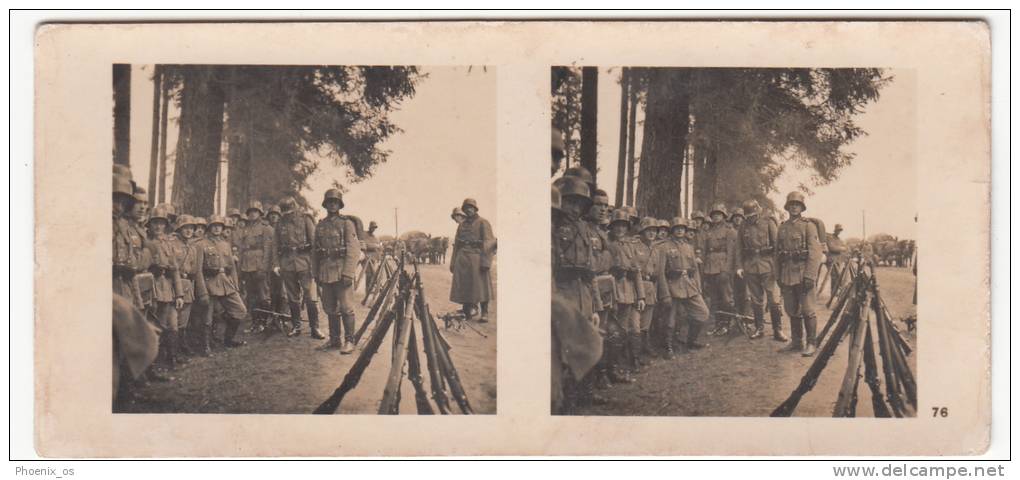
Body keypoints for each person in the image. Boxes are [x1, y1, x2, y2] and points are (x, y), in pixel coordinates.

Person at [551, 178, 602, 414]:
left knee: (588, 340)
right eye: (571, 202)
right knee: (567, 347)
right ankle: (567, 401)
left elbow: (591, 266)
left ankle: (586, 395)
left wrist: (597, 303)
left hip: (583, 291)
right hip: (564, 290)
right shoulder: (553, 227)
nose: (575, 208)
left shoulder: (584, 227)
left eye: (580, 204)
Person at [776, 191, 824, 357]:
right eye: (791, 204)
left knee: (808, 310)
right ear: (787, 207)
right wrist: (778, 276)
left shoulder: (808, 226)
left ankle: (811, 343)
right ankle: (797, 342)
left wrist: (810, 275)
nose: (794, 207)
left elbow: (815, 253)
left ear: (802, 207)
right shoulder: (782, 227)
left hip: (803, 273)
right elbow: (778, 254)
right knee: (791, 309)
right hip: (787, 274)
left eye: (797, 204)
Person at [313, 189, 362, 353]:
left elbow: (353, 250)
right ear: (325, 204)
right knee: (329, 307)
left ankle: (350, 341)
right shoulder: (320, 226)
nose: (332, 204)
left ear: (339, 205)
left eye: (335, 202)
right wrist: (315, 273)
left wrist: (349, 272)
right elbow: (315, 252)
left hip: (342, 271)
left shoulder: (346, 224)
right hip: (325, 271)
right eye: (329, 202)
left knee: (346, 308)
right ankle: (334, 340)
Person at [736, 200, 787, 341]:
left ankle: (778, 330)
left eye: (753, 215)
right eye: (748, 216)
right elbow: (739, 247)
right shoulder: (743, 225)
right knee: (756, 299)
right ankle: (759, 329)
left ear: (758, 212)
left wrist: (777, 266)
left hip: (768, 264)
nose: (750, 218)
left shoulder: (768, 222)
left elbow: (777, 246)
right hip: (750, 265)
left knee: (774, 300)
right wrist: (739, 266)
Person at [274, 196, 323, 339]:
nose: (287, 214)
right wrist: (276, 264)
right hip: (287, 263)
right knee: (292, 297)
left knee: (310, 296)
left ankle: (315, 328)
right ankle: (296, 326)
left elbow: (314, 243)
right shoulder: (279, 223)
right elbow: (275, 245)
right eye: (285, 212)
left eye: (290, 211)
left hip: (304, 262)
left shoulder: (306, 219)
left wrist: (314, 264)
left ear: (295, 208)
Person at [144, 205, 185, 372]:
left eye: (161, 223)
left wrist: (180, 293)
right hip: (152, 288)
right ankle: (155, 363)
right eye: (155, 223)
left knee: (172, 325)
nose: (158, 227)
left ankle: (171, 357)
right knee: (156, 326)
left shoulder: (169, 244)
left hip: (168, 288)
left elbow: (175, 270)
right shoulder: (146, 243)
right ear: (150, 225)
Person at [660, 217, 711, 351]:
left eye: (682, 228)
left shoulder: (689, 247)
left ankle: (690, 341)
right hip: (673, 287)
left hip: (689, 286)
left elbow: (695, 270)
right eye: (677, 228)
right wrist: (665, 294)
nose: (680, 231)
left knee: (703, 313)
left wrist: (698, 288)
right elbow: (661, 273)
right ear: (672, 230)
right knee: (670, 321)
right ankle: (668, 347)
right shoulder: (665, 247)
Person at [197, 215, 248, 348]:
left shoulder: (226, 244)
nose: (217, 228)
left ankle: (228, 339)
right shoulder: (201, 245)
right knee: (207, 319)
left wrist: (235, 286)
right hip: (210, 284)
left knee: (240, 310)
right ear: (209, 228)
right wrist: (202, 292)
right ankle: (206, 346)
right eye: (214, 225)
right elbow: (198, 271)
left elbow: (232, 268)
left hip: (226, 283)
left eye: (219, 225)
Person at [605, 209, 641, 382]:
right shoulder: (607, 244)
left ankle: (620, 366)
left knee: (624, 330)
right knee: (611, 332)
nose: (620, 229)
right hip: (612, 290)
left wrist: (640, 296)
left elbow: (636, 272)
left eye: (623, 226)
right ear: (611, 227)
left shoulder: (630, 246)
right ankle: (608, 370)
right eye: (617, 226)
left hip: (628, 291)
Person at [450, 198, 496, 322]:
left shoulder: (483, 222)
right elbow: (457, 244)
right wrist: (453, 262)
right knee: (465, 285)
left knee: (481, 286)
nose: (468, 210)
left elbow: (490, 242)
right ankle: (467, 310)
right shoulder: (461, 225)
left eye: (471, 208)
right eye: (466, 208)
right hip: (463, 258)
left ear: (475, 209)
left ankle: (484, 312)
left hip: (477, 257)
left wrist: (486, 262)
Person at [237, 200, 275, 333]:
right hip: (247, 266)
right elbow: (242, 250)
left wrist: (264, 268)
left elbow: (268, 250)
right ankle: (254, 322)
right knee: (251, 296)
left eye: (255, 211)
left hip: (259, 266)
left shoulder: (266, 228)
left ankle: (263, 322)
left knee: (263, 296)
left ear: (260, 213)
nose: (253, 214)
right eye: (250, 212)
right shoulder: (245, 229)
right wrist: (240, 269)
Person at [702, 203, 739, 336]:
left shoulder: (730, 231)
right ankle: (718, 324)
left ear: (724, 216)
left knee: (726, 298)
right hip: (710, 268)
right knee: (714, 298)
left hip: (723, 267)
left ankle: (726, 324)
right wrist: (705, 271)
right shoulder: (709, 232)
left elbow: (731, 253)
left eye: (719, 214)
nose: (716, 217)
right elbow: (705, 252)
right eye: (714, 214)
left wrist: (726, 270)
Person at [170, 214, 205, 356]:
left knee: (184, 319)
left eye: (191, 228)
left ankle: (182, 346)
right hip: (175, 284)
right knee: (174, 320)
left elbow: (196, 270)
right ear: (179, 229)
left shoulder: (193, 247)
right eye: (185, 228)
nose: (189, 231)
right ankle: (173, 350)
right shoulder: (172, 244)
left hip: (188, 285)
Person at [631, 217, 665, 359]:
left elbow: (657, 273)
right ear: (642, 232)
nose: (651, 233)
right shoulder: (635, 246)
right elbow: (635, 270)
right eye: (648, 231)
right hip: (637, 287)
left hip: (651, 287)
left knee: (646, 323)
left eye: (654, 231)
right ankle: (634, 355)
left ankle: (645, 347)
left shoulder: (656, 250)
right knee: (635, 324)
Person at [825, 223, 849, 298]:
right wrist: (841, 248)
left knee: (839, 276)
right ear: (835, 230)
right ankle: (833, 292)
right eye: (838, 230)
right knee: (834, 276)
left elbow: (845, 248)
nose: (839, 232)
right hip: (831, 260)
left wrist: (841, 248)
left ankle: (836, 292)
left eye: (840, 230)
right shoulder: (830, 238)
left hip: (838, 260)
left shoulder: (839, 239)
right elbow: (832, 248)